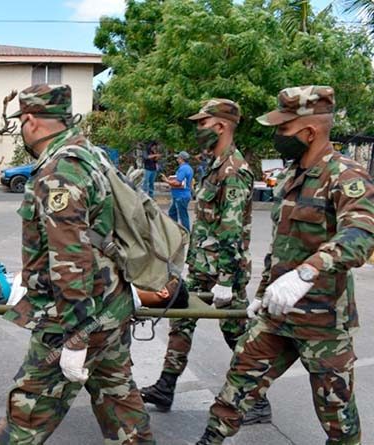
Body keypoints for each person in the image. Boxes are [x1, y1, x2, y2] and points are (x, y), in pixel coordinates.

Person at [196, 86, 374, 445]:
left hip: (322, 324)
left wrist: (307, 272)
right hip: (276, 316)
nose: (277, 137)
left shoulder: (345, 175)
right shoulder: (292, 177)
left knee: (338, 418)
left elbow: (361, 234)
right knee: (236, 387)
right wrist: (262, 294)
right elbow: (279, 247)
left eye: (283, 129)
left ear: (309, 132)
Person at [0, 84, 154, 445]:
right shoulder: (91, 154)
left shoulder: (60, 169)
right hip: (111, 306)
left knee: (27, 414)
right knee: (119, 401)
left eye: (22, 120)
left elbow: (70, 260)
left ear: (30, 120)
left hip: (74, 318)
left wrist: (77, 336)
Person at [141, 99, 264, 421]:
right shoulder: (212, 165)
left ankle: (257, 399)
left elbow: (232, 229)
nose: (198, 130)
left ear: (221, 126)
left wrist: (226, 279)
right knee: (180, 319)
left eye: (203, 123)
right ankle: (165, 386)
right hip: (201, 265)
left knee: (236, 332)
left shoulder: (235, 170)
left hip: (226, 269)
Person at [166, 151, 194, 230]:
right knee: (172, 213)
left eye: (178, 158)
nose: (177, 159)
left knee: (183, 216)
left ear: (181, 159)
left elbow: (178, 183)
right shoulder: (188, 168)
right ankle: (175, 230)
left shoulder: (183, 169)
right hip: (181, 195)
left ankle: (186, 232)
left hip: (180, 196)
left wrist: (167, 181)